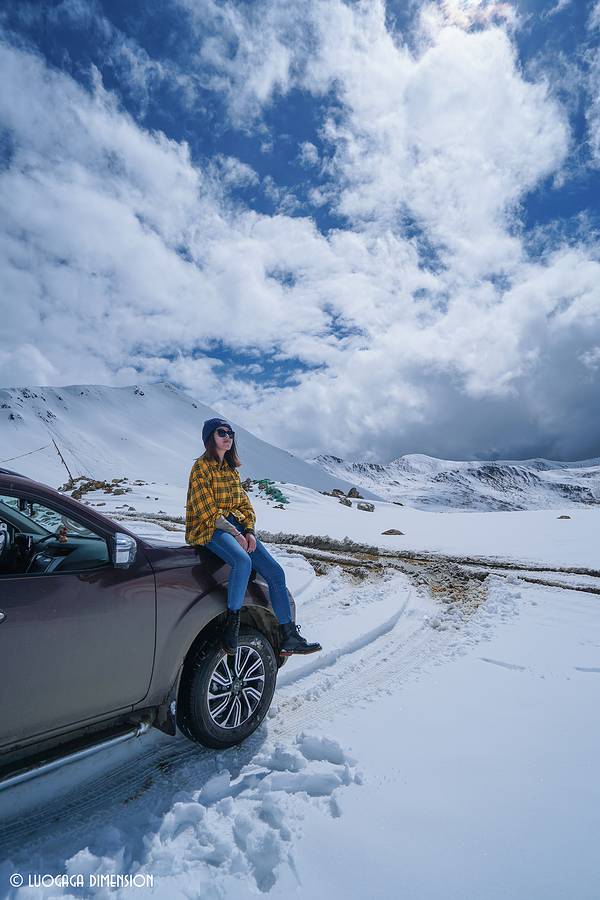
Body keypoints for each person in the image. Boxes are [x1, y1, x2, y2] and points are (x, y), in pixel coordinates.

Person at [185, 417, 322, 657]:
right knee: (242, 561)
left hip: (236, 528)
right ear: (209, 437)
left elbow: (245, 506)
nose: (228, 437)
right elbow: (207, 511)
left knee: (275, 573)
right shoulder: (200, 468)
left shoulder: (231, 471)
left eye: (230, 433)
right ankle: (231, 624)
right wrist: (236, 533)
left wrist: (249, 531)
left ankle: (289, 635)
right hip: (209, 528)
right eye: (221, 432)